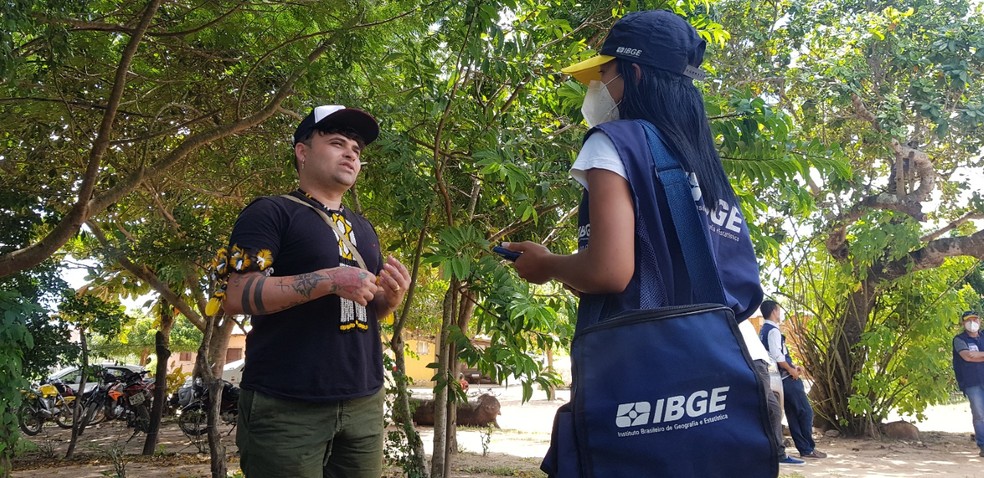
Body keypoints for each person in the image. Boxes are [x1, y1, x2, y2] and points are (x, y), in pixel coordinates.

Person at [498, 9, 765, 474]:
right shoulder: (697, 157)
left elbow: (609, 271)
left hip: (642, 370)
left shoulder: (614, 141)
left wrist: (549, 265)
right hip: (717, 368)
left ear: (633, 72)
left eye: (603, 73)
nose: (594, 87)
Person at [216, 104, 411, 478]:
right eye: (337, 142)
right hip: (286, 403)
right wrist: (331, 279)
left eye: (356, 149)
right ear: (302, 152)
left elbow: (369, 311)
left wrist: (391, 298)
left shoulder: (363, 227)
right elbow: (236, 295)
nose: (351, 153)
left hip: (364, 400)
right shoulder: (270, 212)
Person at [759, 300, 826, 459]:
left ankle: (804, 448)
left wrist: (793, 366)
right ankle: (808, 448)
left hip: (777, 378)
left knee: (792, 414)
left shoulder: (763, 330)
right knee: (805, 411)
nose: (780, 313)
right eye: (779, 310)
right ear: (774, 311)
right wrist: (791, 370)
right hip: (786, 377)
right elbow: (777, 356)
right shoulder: (773, 331)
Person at [739, 320, 804, 465]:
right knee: (770, 409)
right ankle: (777, 455)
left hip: (761, 364)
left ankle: (774, 453)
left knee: (771, 409)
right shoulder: (732, 315)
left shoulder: (741, 316)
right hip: (754, 363)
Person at [951, 310, 984, 457]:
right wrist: (975, 356)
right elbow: (968, 357)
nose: (973, 323)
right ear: (963, 323)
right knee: (979, 415)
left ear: (980, 321)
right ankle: (983, 446)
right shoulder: (959, 340)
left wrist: (979, 355)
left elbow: (975, 356)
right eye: (969, 320)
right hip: (972, 383)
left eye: (975, 319)